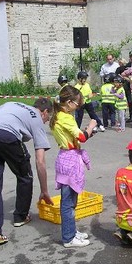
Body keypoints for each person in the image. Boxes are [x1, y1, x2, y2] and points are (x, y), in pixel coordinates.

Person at [0, 98, 54, 246]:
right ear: (44, 112)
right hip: (6, 135)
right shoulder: (36, 117)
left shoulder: (11, 104)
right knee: (25, 175)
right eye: (47, 118)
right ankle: (21, 216)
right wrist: (44, 190)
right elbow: (40, 161)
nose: (45, 122)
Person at [50, 85, 97, 248]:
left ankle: (71, 231)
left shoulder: (59, 116)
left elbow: (76, 137)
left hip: (66, 158)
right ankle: (68, 238)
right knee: (68, 203)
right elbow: (82, 138)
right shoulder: (66, 118)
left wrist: (86, 132)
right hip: (69, 162)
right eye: (77, 104)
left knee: (71, 200)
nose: (79, 107)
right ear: (69, 102)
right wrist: (91, 126)